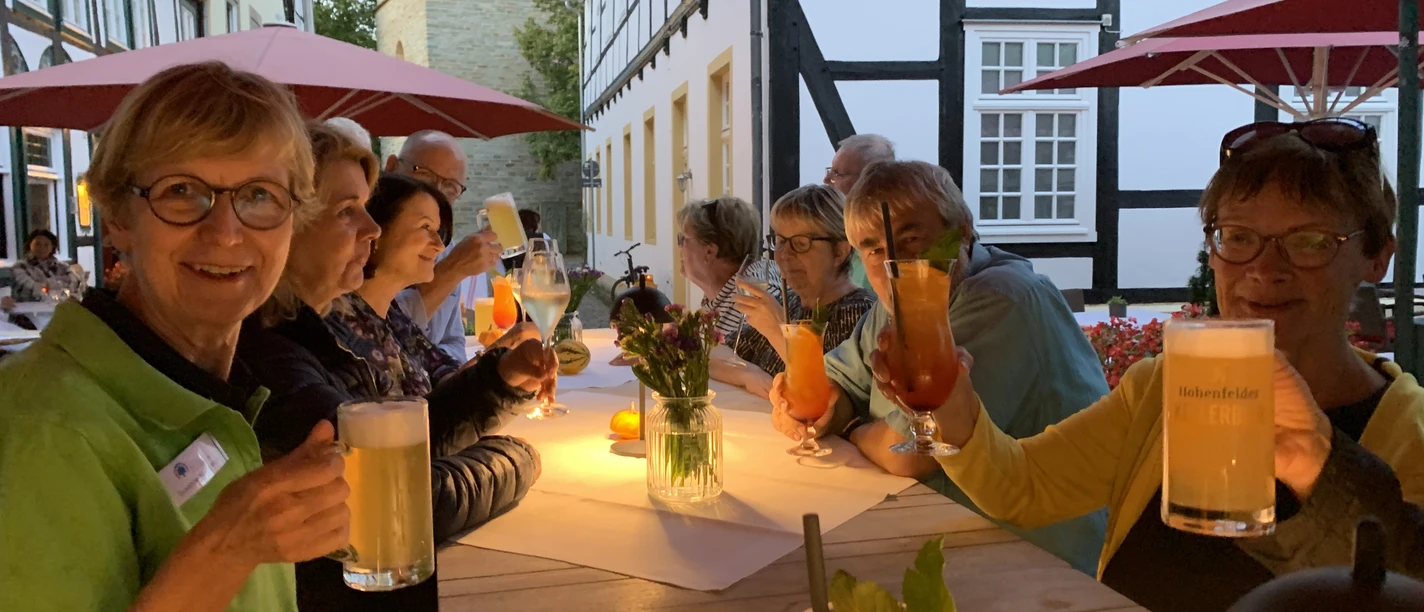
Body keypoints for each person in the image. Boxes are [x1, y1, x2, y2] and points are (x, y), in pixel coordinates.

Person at [913, 122, 1424, 611]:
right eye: (1239, 237)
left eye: (1310, 241)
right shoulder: (1163, 388)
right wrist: (949, 405)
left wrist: (1320, 462)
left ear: (1377, 257)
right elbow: (1023, 486)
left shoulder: (1411, 432)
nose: (1266, 270)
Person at [0, 61, 348, 611]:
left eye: (259, 195)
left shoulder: (211, 389)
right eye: (181, 190)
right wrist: (224, 550)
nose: (226, 233)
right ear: (116, 216)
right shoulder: (47, 427)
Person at [240, 126, 545, 611]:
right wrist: (518, 457)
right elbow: (398, 494)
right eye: (347, 211)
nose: (372, 229)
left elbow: (411, 427)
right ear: (284, 224)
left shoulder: (310, 332)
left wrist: (500, 381)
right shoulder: (274, 351)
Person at [771, 160, 1109, 575]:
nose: (892, 261)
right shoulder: (891, 305)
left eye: (911, 240)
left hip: (1035, 557)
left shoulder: (1003, 299)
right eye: (873, 249)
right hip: (936, 526)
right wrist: (821, 405)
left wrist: (850, 428)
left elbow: (912, 454)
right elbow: (835, 384)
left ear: (962, 230)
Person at [723, 184, 876, 399]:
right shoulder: (792, 303)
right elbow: (714, 354)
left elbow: (831, 396)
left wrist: (778, 330)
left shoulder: (861, 313)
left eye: (801, 243)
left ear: (840, 251)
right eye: (779, 242)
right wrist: (748, 375)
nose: (784, 255)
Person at [387, 130, 502, 362]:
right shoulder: (367, 245)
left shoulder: (444, 250)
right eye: (425, 176)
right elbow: (380, 334)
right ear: (391, 167)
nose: (436, 192)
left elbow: (453, 343)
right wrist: (453, 270)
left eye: (450, 186)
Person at [677, 195, 781, 343]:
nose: (680, 247)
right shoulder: (722, 299)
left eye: (683, 239)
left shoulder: (756, 295)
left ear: (710, 252)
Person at [823, 133, 894, 290]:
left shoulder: (891, 242)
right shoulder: (836, 233)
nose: (826, 180)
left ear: (871, 180)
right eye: (830, 171)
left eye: (838, 174)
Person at [9, 228, 83, 302]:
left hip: (59, 310)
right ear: (30, 245)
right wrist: (59, 283)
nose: (42, 248)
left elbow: (75, 284)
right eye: (37, 244)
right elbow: (30, 289)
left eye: (46, 245)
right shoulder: (20, 267)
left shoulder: (63, 267)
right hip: (29, 310)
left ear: (52, 247)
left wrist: (45, 285)